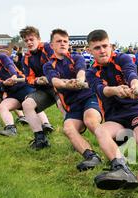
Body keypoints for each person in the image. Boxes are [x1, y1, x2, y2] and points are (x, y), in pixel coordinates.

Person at [86, 29, 138, 190]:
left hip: (137, 110)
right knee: (101, 131)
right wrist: (116, 90)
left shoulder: (122, 58)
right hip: (115, 117)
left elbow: (131, 72)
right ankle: (122, 169)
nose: (102, 50)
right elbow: (101, 90)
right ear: (89, 51)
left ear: (111, 46)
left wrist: (135, 86)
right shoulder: (91, 72)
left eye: (105, 46)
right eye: (97, 48)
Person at [43, 29, 103, 171]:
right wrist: (67, 84)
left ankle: (118, 151)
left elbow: (81, 72)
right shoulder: (48, 65)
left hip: (88, 96)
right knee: (68, 128)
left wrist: (79, 81)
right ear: (51, 45)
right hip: (72, 104)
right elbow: (56, 82)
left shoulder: (77, 57)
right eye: (59, 41)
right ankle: (91, 156)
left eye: (65, 41)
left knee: (90, 120)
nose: (63, 44)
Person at [20, 26, 59, 150]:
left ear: (39, 39)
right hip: (43, 89)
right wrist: (37, 80)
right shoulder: (26, 58)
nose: (29, 43)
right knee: (27, 104)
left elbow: (58, 64)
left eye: (31, 39)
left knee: (64, 107)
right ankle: (40, 139)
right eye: (26, 41)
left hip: (60, 86)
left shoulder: (48, 48)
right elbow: (28, 78)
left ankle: (76, 137)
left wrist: (49, 77)